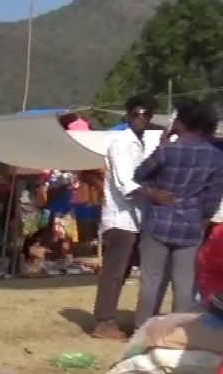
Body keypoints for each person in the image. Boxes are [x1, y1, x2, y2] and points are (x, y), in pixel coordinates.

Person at [131, 98, 223, 329]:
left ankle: (142, 331)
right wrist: (201, 218)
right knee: (184, 284)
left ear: (182, 122)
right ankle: (178, 332)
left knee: (151, 282)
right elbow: (213, 196)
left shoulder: (168, 149)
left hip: (159, 220)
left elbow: (140, 174)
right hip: (191, 224)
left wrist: (162, 142)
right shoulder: (216, 156)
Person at [90, 95, 161, 339]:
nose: (140, 119)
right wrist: (154, 195)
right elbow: (125, 184)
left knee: (127, 272)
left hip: (137, 218)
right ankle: (103, 322)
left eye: (145, 115)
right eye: (136, 114)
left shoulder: (141, 145)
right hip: (120, 218)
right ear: (128, 115)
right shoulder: (122, 144)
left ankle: (115, 319)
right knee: (114, 271)